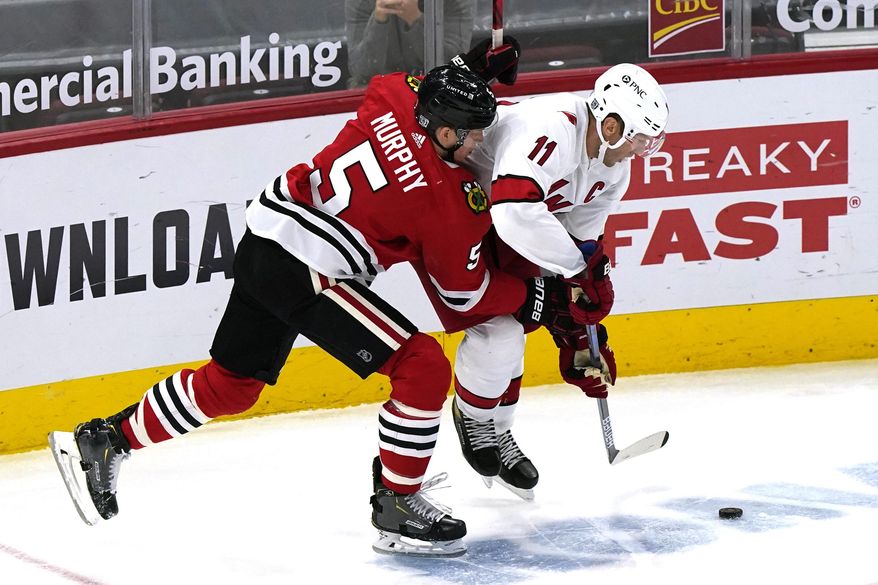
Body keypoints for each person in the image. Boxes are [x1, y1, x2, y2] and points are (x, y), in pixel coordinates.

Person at [47, 64, 579, 558]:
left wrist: (472, 70)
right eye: (474, 133)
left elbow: (419, 82)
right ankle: (396, 503)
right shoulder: (447, 201)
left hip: (265, 237)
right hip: (307, 267)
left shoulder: (395, 95)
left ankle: (105, 439)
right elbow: (465, 294)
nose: (482, 143)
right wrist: (537, 296)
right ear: (444, 133)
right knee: (422, 368)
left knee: (232, 385)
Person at [419, 60, 670, 499]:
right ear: (611, 126)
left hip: (495, 217)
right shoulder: (553, 129)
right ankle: (474, 419)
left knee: (523, 321)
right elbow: (516, 213)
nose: (640, 151)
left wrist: (580, 330)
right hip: (448, 201)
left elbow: (578, 241)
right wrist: (576, 272)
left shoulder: (614, 167)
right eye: (640, 139)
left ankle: (499, 431)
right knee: (498, 332)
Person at [346, 0, 473, 88]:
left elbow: (455, 66)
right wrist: (379, 21)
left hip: (436, 91)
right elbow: (360, 69)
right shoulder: (362, 2)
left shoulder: (454, 2)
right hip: (378, 93)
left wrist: (415, 18)